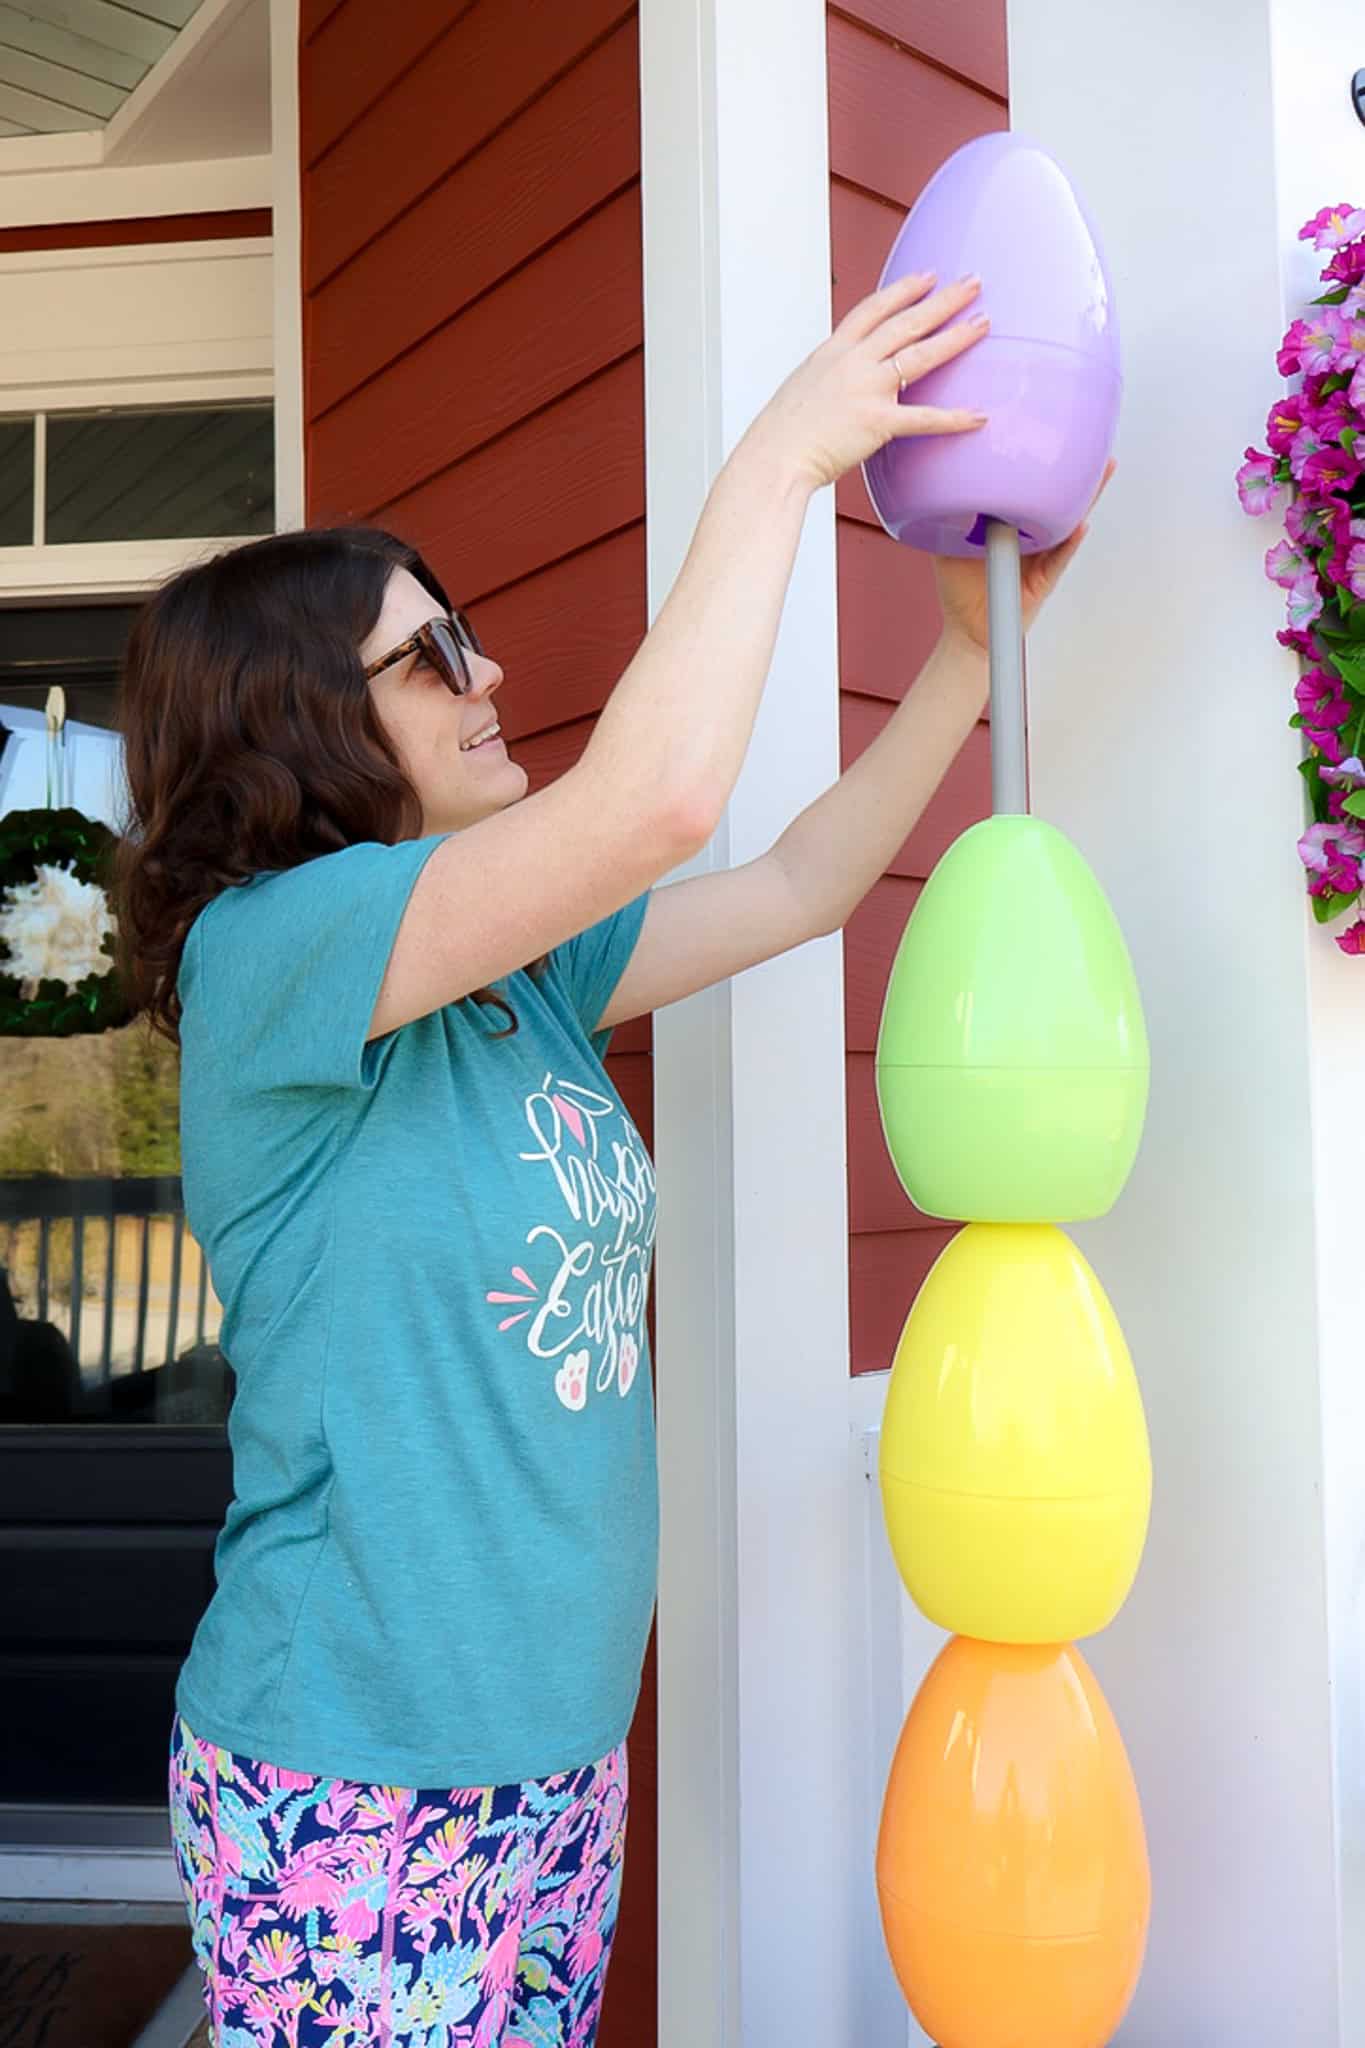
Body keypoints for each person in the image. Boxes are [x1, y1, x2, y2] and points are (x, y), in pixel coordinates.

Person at [115, 271, 1096, 2048]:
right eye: (428, 655)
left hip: (554, 1754)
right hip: (353, 1775)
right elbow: (654, 797)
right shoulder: (273, 957)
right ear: (297, 723)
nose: (489, 674)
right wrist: (784, 455)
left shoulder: (520, 982)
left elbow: (798, 884)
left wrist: (966, 651)